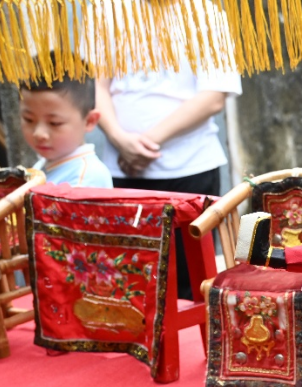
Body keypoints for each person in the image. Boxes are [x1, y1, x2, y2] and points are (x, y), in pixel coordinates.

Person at [94, 0, 242, 300]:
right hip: (120, 171)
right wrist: (120, 139)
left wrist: (143, 143)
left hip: (189, 169)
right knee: (127, 284)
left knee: (191, 285)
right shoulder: (107, 9)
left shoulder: (206, 12)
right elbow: (94, 86)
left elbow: (213, 96)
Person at [19, 55, 113, 188]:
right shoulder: (43, 165)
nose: (39, 133)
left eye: (54, 123)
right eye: (28, 119)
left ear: (89, 121)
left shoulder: (86, 177)